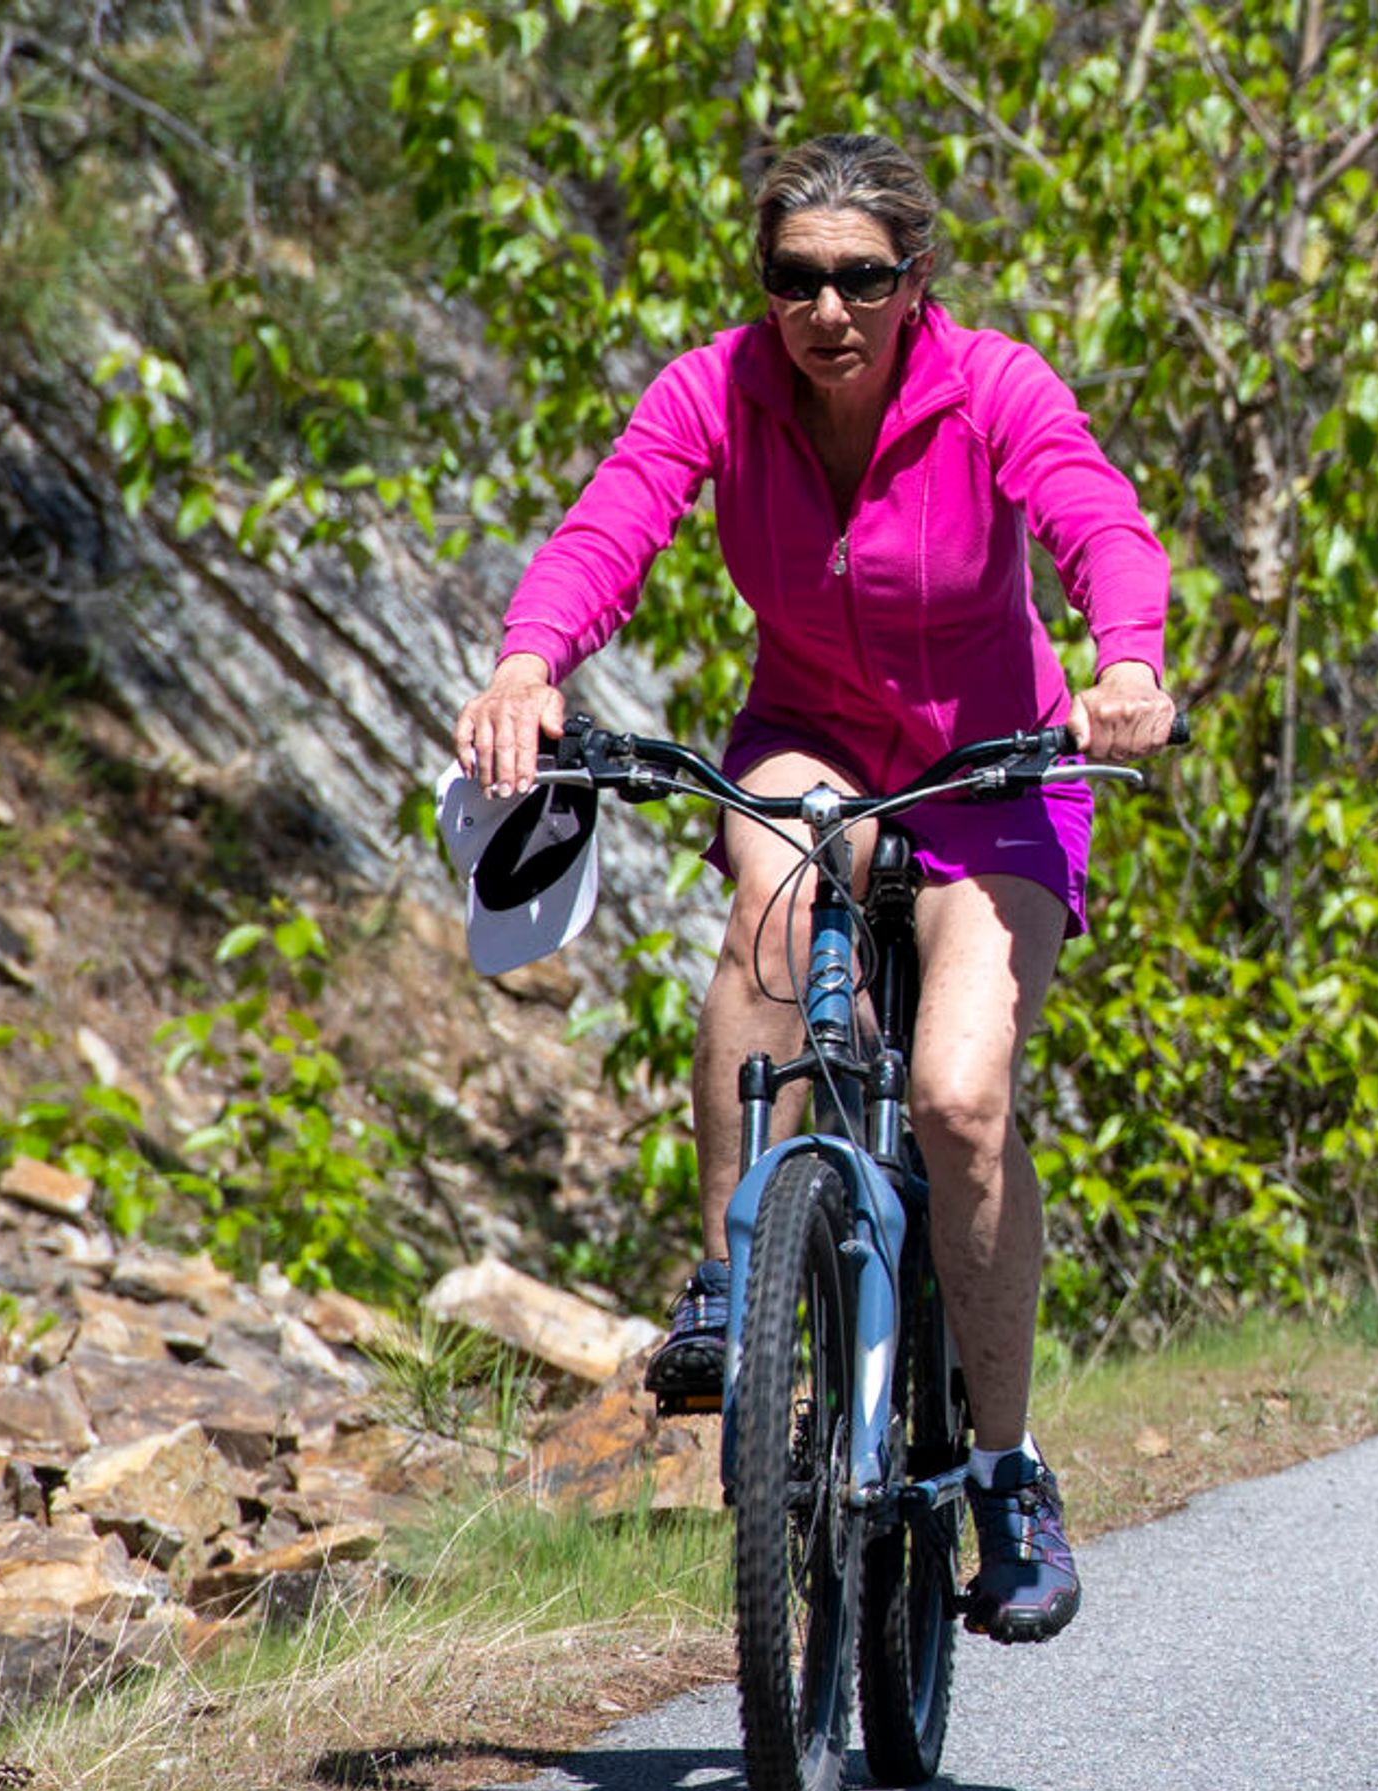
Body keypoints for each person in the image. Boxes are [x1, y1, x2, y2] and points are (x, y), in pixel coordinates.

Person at [451, 131, 1173, 1646]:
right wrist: (531, 662)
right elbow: (612, 525)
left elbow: (1096, 518)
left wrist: (1126, 663)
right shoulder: (717, 388)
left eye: (859, 278)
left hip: (999, 760)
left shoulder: (992, 388)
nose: (826, 309)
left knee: (964, 1100)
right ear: (763, 285)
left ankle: (1004, 1470)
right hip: (810, 743)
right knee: (768, 920)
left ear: (918, 282)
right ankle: (730, 1276)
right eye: (796, 279)